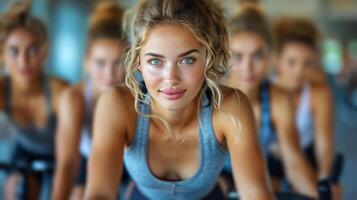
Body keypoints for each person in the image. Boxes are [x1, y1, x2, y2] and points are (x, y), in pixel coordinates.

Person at [84, 0, 273, 199]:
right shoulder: (116, 104)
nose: (171, 78)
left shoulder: (230, 106)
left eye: (187, 60)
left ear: (208, 58)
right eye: (155, 61)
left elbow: (255, 193)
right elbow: (100, 193)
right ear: (138, 61)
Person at [220, 4, 317, 197]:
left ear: (271, 56)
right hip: (216, 183)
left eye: (257, 56)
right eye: (237, 57)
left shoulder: (278, 98)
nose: (247, 67)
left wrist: (319, 195)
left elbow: (294, 161)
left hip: (260, 181)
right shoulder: (211, 96)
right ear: (224, 56)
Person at [51, 2, 127, 200]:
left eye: (118, 62)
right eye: (100, 63)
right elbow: (67, 164)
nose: (109, 73)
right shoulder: (74, 98)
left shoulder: (139, 97)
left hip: (131, 167)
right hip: (87, 163)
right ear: (86, 61)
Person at [0, 2, 68, 199]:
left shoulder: (59, 92)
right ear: (3, 55)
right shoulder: (3, 90)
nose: (23, 61)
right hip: (27, 151)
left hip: (64, 154)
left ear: (44, 52)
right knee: (16, 189)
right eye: (14, 51)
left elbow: (68, 162)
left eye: (32, 50)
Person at [273, 17, 340, 199]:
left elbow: (324, 147)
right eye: (292, 62)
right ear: (278, 61)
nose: (299, 71)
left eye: (307, 63)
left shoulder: (320, 94)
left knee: (330, 192)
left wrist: (325, 178)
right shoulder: (265, 91)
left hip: (306, 157)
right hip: (271, 160)